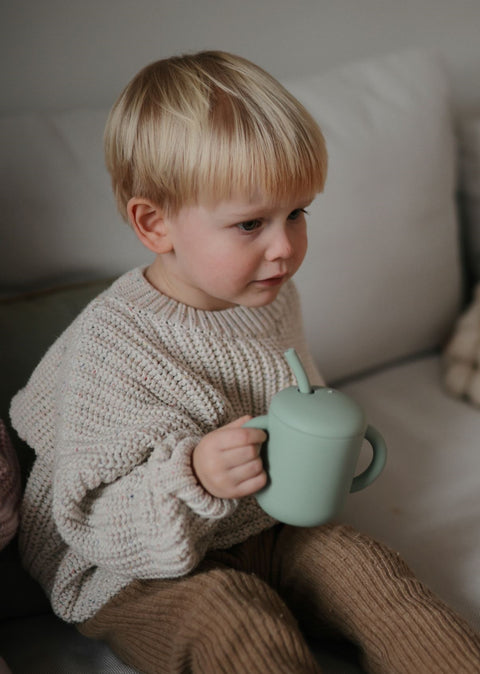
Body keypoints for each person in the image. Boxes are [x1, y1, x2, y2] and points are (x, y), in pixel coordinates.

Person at [10, 51, 480, 674]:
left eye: (297, 213)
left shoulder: (273, 296)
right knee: (237, 622)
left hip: (264, 524)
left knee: (374, 576)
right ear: (155, 224)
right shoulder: (115, 342)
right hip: (136, 567)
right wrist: (195, 476)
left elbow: (297, 393)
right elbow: (88, 518)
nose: (284, 247)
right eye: (251, 223)